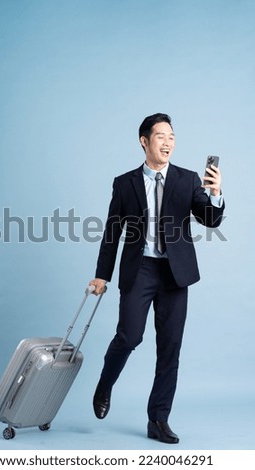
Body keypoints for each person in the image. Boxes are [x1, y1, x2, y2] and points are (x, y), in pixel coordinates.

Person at [89, 113, 225, 444]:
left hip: (175, 274)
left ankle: (158, 419)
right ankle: (105, 383)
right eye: (161, 136)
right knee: (129, 336)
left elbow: (209, 220)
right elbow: (112, 233)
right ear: (144, 141)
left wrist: (215, 194)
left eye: (172, 137)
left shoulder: (188, 179)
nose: (168, 142)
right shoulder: (125, 183)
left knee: (170, 349)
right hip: (141, 270)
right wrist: (100, 276)